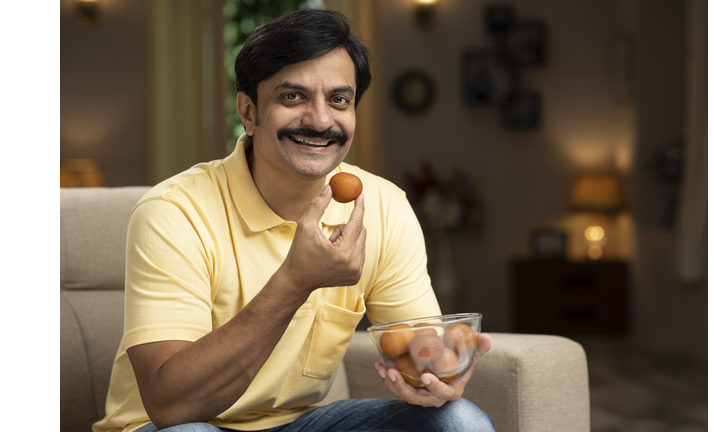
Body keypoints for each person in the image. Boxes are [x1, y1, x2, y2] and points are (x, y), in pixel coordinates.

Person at [93, 9, 493, 432]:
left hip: (298, 426)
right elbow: (170, 407)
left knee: (458, 421)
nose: (320, 120)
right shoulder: (174, 213)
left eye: (339, 100)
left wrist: (437, 375)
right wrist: (295, 280)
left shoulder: (383, 206)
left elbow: (417, 349)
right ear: (248, 112)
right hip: (179, 425)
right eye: (293, 97)